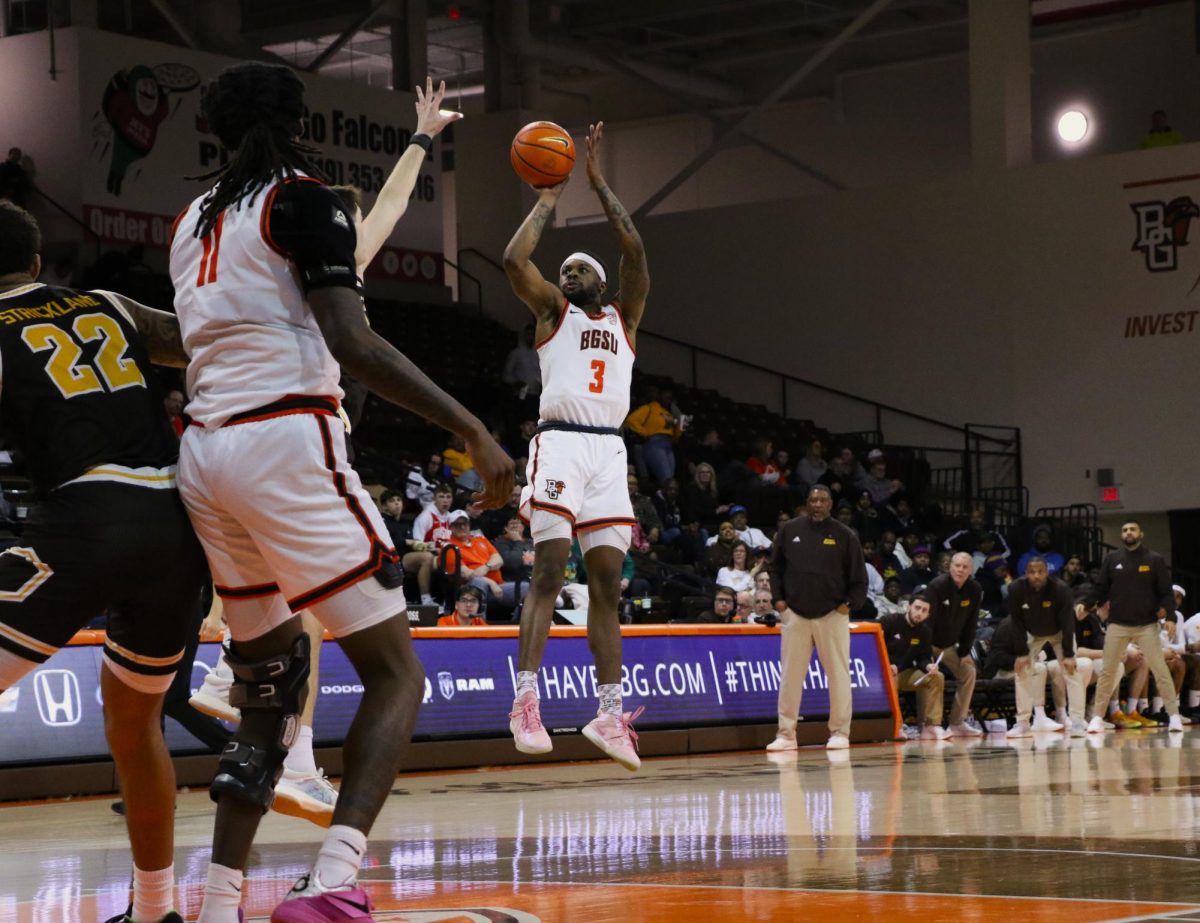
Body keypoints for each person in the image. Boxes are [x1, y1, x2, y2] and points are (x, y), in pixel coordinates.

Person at [170, 63, 512, 923]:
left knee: (268, 692)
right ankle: (330, 881)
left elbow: (193, 340)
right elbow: (354, 344)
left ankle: (217, 901)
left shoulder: (191, 222)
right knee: (399, 676)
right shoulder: (301, 197)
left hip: (205, 457)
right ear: (300, 119)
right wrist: (471, 425)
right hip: (284, 440)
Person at [0, 202, 208, 923]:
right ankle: (154, 911)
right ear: (35, 263)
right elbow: (195, 342)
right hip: (178, 526)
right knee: (132, 721)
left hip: (89, 517)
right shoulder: (107, 303)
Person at [502, 119, 649, 771]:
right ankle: (525, 699)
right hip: (561, 443)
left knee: (608, 585)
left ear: (598, 280)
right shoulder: (550, 314)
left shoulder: (624, 315)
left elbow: (636, 253)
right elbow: (513, 261)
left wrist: (599, 184)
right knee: (546, 570)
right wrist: (549, 195)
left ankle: (610, 712)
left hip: (609, 453)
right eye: (562, 268)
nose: (567, 270)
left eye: (577, 265)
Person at [766, 485, 867, 752]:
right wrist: (779, 602)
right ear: (807, 503)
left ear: (830, 504)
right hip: (795, 615)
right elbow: (774, 568)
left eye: (822, 500)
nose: (817, 504)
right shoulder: (789, 530)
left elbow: (859, 578)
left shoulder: (845, 535)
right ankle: (786, 734)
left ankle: (840, 732)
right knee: (790, 676)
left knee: (838, 676)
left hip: (833, 615)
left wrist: (847, 606)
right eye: (813, 500)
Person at [1087, 520, 1183, 734]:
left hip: (1146, 625)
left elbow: (1166, 592)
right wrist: (1085, 604)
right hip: (1118, 625)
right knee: (1108, 671)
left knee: (1160, 670)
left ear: (1141, 534)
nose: (1128, 532)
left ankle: (1174, 716)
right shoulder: (1112, 559)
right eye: (1124, 530)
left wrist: (1171, 617)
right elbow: (1100, 589)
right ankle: (1096, 717)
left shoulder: (1154, 559)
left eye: (1132, 529)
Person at [1005, 557, 1086, 736]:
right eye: (1032, 572)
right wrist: (1021, 653)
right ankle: (1023, 722)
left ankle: (1078, 721)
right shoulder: (1016, 589)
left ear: (1047, 572)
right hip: (1032, 634)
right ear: (1026, 574)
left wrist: (1069, 654)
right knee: (1022, 670)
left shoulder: (1060, 589)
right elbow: (1016, 622)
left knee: (1071, 670)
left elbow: (1068, 623)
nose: (1036, 576)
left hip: (1059, 632)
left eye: (1040, 572)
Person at [924, 552, 985, 737]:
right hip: (929, 643)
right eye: (957, 565)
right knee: (932, 675)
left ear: (971, 570)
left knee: (968, 671)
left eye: (965, 567)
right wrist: (925, 655)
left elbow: (971, 624)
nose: (960, 569)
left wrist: (965, 652)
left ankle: (957, 722)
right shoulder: (937, 586)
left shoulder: (974, 590)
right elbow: (926, 623)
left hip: (950, 646)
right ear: (950, 567)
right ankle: (927, 724)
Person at [880, 593, 948, 740]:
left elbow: (923, 657)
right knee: (892, 678)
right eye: (917, 608)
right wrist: (886, 665)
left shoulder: (924, 631)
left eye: (924, 611)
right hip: (881, 673)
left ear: (928, 614)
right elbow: (873, 645)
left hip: (904, 673)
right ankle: (896, 726)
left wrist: (928, 666)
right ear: (909, 606)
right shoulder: (890, 621)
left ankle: (932, 726)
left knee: (937, 677)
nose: (919, 613)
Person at [378, 489, 436, 606]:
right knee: (426, 558)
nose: (397, 503)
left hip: (406, 557)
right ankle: (425, 599)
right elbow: (384, 544)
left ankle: (442, 600)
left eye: (399, 500)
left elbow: (411, 543)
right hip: (392, 559)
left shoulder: (405, 523)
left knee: (437, 561)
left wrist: (423, 546)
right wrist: (407, 542)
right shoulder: (382, 521)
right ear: (384, 506)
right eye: (392, 501)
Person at [445, 508, 504, 605]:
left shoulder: (480, 539)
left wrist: (486, 567)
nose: (462, 526)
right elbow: (467, 574)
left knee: (524, 587)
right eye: (458, 524)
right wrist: (491, 583)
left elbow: (499, 560)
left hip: (499, 586)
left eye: (465, 523)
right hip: (470, 588)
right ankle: (476, 620)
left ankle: (520, 619)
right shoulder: (449, 548)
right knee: (478, 583)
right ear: (450, 527)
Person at [625, 385, 681, 486]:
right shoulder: (649, 408)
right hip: (655, 444)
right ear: (659, 396)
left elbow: (676, 436)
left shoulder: (669, 414)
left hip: (668, 445)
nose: (668, 400)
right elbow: (631, 420)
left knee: (670, 480)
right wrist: (645, 432)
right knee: (666, 479)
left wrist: (678, 426)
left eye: (670, 398)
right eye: (666, 397)